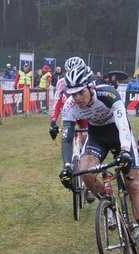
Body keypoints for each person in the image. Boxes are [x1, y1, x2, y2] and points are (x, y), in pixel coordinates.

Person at [59, 63, 139, 254]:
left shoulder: (108, 95)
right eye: (72, 93)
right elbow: (67, 140)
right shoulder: (69, 106)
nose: (76, 98)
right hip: (97, 138)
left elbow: (123, 126)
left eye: (80, 92)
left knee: (133, 184)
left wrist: (126, 151)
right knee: (85, 171)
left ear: (91, 87)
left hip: (120, 135)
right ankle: (109, 205)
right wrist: (67, 167)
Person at [49, 57, 94, 202]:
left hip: (85, 113)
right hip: (70, 112)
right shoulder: (62, 82)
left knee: (86, 140)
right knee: (66, 138)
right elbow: (56, 102)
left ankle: (89, 187)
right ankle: (68, 165)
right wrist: (53, 121)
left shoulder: (88, 80)